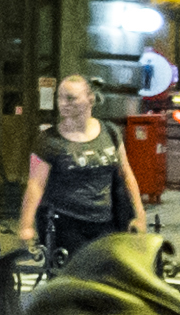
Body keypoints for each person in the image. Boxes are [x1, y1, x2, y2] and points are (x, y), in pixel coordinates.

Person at [14, 73, 131, 264]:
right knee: (72, 283)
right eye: (60, 97)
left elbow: (126, 175)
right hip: (65, 224)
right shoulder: (48, 140)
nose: (63, 103)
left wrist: (139, 214)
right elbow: (36, 184)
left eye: (71, 98)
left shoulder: (110, 132)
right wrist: (26, 225)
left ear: (90, 99)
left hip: (104, 222)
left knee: (103, 283)